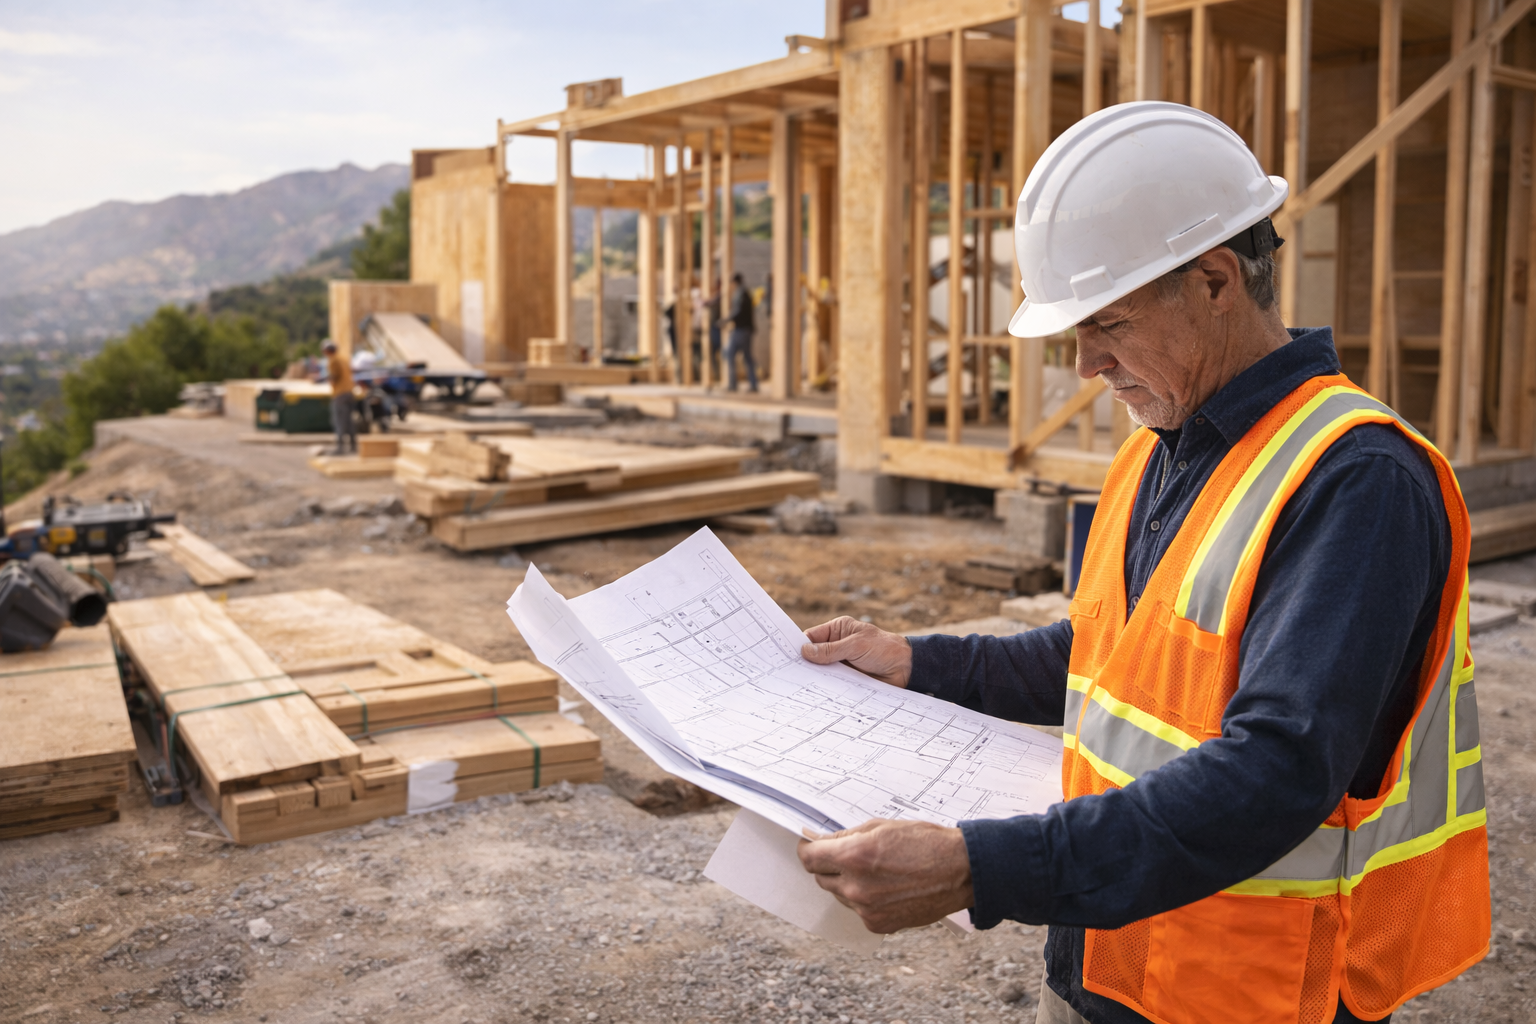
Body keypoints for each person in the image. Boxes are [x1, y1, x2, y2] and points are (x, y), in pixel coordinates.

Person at [796, 102, 1487, 1024]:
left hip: (1248, 993)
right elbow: (1106, 655)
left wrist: (981, 867)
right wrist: (921, 663)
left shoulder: (1355, 480)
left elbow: (1277, 771)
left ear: (1213, 282)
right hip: (1113, 961)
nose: (1085, 364)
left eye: (1107, 323)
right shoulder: (1166, 440)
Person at [722, 272, 758, 392]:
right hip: (745, 329)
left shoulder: (741, 294)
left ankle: (733, 384)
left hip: (741, 330)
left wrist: (726, 320)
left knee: (730, 354)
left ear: (734, 282)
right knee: (747, 357)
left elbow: (739, 312)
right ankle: (753, 384)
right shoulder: (744, 293)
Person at [323, 340, 356, 455]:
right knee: (349, 421)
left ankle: (340, 448)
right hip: (350, 392)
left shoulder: (333, 361)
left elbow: (334, 378)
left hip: (340, 394)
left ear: (327, 351)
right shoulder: (344, 359)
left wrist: (326, 380)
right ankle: (353, 447)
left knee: (339, 421)